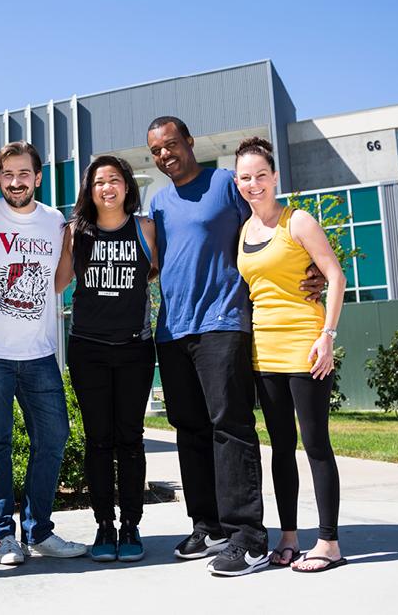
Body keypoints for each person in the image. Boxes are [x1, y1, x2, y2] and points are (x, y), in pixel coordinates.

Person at [145, 116, 325, 577]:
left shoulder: (226, 183)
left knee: (230, 425)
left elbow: (270, 224)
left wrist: (312, 266)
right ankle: (208, 525)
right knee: (189, 428)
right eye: (156, 150)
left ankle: (247, 537)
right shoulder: (158, 201)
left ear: (189, 141)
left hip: (223, 321)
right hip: (173, 328)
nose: (165, 154)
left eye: (171, 145)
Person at [0, 141, 87, 565]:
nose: (16, 182)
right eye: (7, 175)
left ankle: (38, 530)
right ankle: (4, 537)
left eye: (24, 174)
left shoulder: (55, 222)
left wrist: (72, 243)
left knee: (53, 438)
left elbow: (56, 284)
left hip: (39, 353)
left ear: (37, 177)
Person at [234, 137, 347, 573]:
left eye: (261, 175)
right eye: (245, 177)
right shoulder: (245, 230)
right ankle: (289, 538)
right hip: (265, 351)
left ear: (275, 176)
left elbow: (334, 276)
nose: (254, 183)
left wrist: (328, 335)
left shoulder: (297, 221)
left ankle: (329, 543)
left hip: (305, 345)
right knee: (281, 447)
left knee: (316, 444)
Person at [56, 155, 157, 562]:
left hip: (134, 348)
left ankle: (130, 525)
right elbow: (58, 282)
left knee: (130, 438)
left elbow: (164, 269)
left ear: (127, 187)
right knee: (99, 440)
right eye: (99, 182)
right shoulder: (75, 232)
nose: (107, 187)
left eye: (115, 180)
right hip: (88, 349)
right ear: (90, 189)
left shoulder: (145, 228)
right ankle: (103, 526)